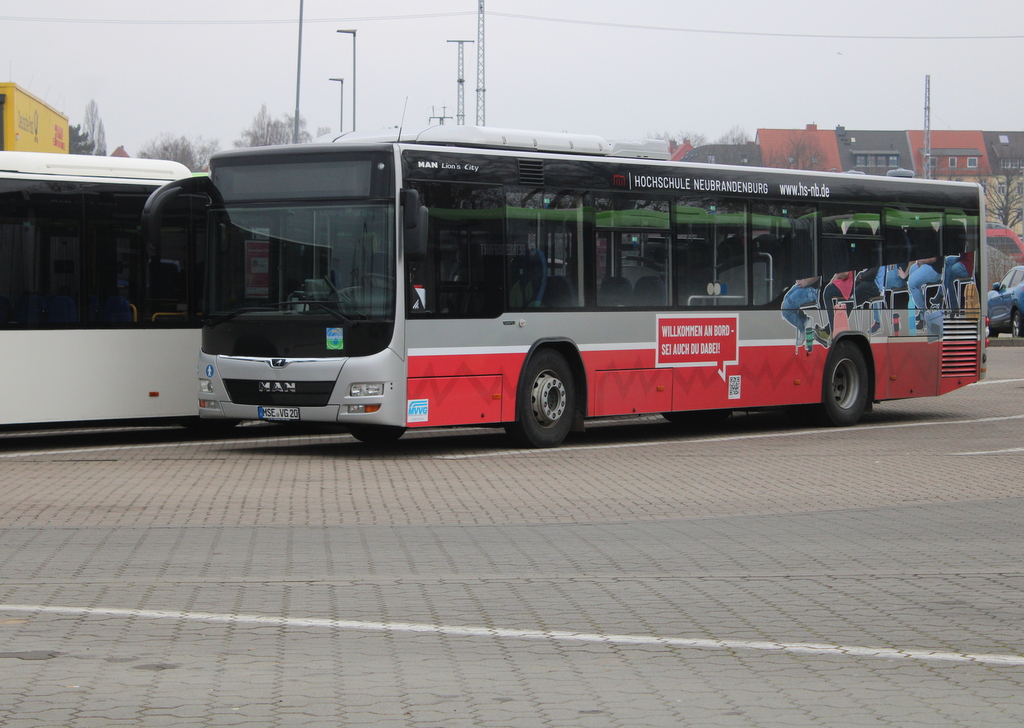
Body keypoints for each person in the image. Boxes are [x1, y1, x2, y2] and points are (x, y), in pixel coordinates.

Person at [813, 271, 855, 343]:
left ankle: (832, 331)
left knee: (827, 293)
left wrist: (835, 277)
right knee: (828, 291)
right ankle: (827, 330)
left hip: (845, 285)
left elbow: (845, 273)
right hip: (848, 285)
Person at [781, 276, 821, 342]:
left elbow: (818, 273)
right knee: (786, 300)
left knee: (786, 310)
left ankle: (803, 329)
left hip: (813, 290)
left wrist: (805, 282)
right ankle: (805, 321)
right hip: (803, 285)